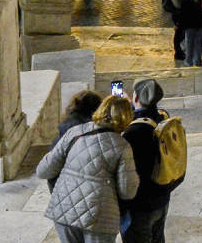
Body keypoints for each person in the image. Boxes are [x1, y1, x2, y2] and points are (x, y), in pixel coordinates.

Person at [36, 94, 138, 243]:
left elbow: (43, 170)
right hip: (99, 217)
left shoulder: (75, 132)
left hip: (65, 211)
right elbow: (127, 192)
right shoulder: (122, 146)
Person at [121, 79, 181, 243]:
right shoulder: (163, 118)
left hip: (140, 207)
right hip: (161, 198)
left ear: (136, 99)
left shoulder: (132, 133)